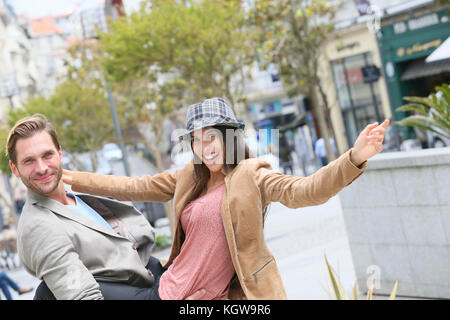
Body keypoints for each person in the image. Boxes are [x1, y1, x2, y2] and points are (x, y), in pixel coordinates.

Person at [63, 97, 390, 299]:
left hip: (185, 297)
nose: (206, 147)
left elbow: (305, 191)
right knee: (61, 286)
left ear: (230, 136)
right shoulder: (189, 176)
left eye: (212, 137)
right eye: (197, 140)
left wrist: (354, 157)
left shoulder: (252, 174)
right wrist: (69, 179)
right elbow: (131, 186)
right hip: (166, 280)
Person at [7, 114, 205, 300]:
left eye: (47, 155)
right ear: (15, 168)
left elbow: (138, 187)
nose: (41, 168)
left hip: (158, 279)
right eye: (29, 161)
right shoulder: (38, 226)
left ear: (59, 153)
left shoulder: (75, 199)